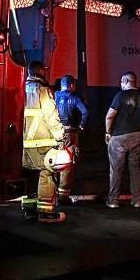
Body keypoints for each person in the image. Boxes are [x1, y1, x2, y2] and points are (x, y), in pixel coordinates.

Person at [21, 61, 67, 223]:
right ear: (40, 72)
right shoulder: (43, 91)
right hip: (41, 143)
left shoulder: (20, 89)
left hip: (22, 144)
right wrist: (61, 136)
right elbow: (51, 116)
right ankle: (46, 213)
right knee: (46, 175)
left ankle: (29, 210)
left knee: (28, 177)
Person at [104, 71, 140, 208]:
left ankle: (113, 201)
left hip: (119, 137)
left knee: (116, 169)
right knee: (135, 169)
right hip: (137, 136)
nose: (120, 84)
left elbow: (109, 116)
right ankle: (137, 200)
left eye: (121, 81)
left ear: (126, 81)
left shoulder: (120, 96)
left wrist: (108, 132)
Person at [54, 75, 90, 204]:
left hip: (56, 133)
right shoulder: (75, 98)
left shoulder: (55, 95)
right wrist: (81, 126)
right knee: (68, 164)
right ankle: (63, 196)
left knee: (54, 162)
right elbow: (85, 112)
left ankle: (51, 192)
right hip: (70, 133)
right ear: (71, 85)